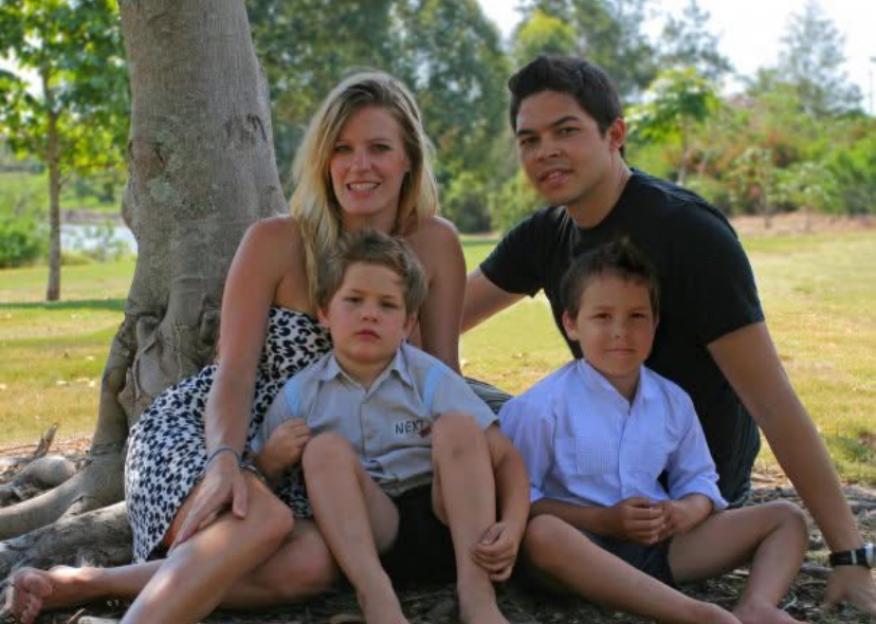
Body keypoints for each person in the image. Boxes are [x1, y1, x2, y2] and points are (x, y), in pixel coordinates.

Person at [6, 71, 470, 624]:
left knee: (315, 563)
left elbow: (443, 371)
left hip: (313, 460)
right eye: (341, 149)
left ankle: (85, 584)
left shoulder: (436, 244)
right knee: (260, 521)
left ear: (409, 160)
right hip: (211, 429)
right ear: (323, 160)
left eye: (378, 148)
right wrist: (227, 460)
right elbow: (233, 373)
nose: (359, 165)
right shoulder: (275, 240)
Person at [462, 54, 876, 614]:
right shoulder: (544, 236)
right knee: (473, 413)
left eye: (566, 131)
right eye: (529, 139)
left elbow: (772, 400)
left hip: (688, 489)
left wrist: (850, 556)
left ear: (615, 135)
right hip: (589, 488)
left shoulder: (687, 232)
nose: (545, 151)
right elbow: (446, 317)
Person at [501, 239, 808, 624]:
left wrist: (683, 510)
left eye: (636, 317)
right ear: (571, 323)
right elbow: (517, 502)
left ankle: (757, 605)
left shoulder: (672, 400)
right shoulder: (540, 407)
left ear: (655, 322)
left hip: (656, 548)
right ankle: (695, 615)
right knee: (543, 534)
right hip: (577, 550)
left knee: (786, 518)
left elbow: (699, 478)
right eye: (602, 317)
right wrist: (602, 520)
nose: (621, 332)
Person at [252, 229, 528, 624]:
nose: (369, 314)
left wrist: (513, 527)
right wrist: (271, 460)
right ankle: (377, 599)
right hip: (371, 532)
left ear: (407, 322)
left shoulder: (429, 377)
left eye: (387, 305)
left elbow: (507, 458)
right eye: (354, 301)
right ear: (325, 313)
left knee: (458, 427)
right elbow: (262, 483)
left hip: (450, 524)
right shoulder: (301, 395)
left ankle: (477, 596)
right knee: (323, 450)